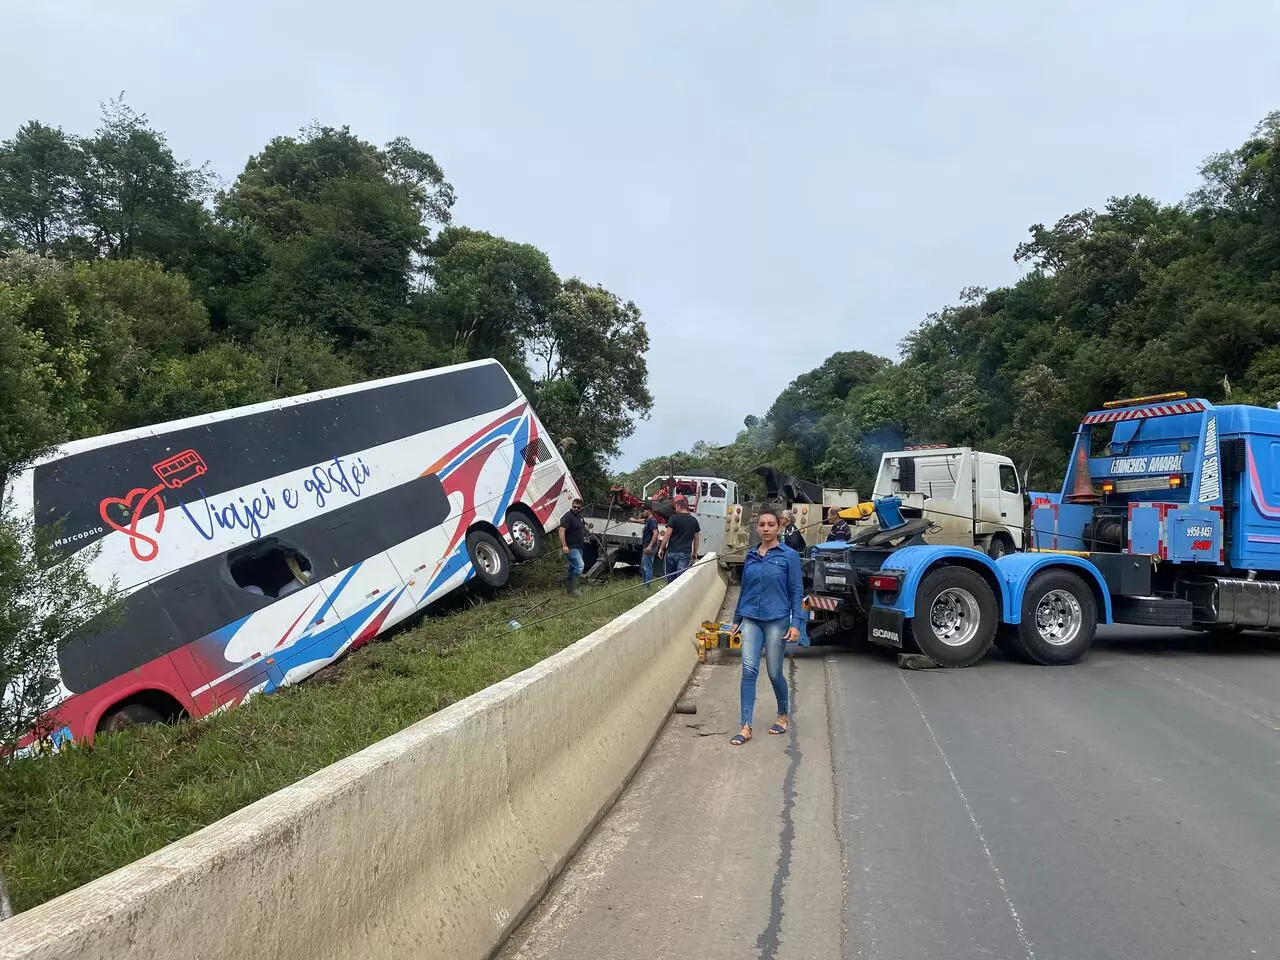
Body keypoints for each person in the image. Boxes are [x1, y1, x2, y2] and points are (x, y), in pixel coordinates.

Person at [730, 507, 803, 745]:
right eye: (761, 525)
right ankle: (745, 725)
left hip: (777, 619)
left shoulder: (789, 555)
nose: (766, 529)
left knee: (774, 672)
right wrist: (736, 619)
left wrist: (795, 624)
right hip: (751, 618)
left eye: (770, 525)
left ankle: (783, 715)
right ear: (757, 528)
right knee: (749, 670)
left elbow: (796, 591)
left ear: (779, 527)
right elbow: (745, 590)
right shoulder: (751, 555)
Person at [659, 496, 700, 582]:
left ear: (678, 506)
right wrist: (694, 553)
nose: (675, 509)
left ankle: (670, 593)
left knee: (671, 579)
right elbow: (696, 538)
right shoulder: (694, 521)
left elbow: (667, 535)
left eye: (675, 506)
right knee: (680, 580)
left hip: (672, 553)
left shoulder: (673, 519)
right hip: (685, 554)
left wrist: (661, 548)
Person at [559, 497, 586, 596]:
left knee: (572, 568)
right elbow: (561, 530)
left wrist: (591, 532)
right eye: (574, 507)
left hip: (579, 547)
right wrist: (564, 546)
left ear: (581, 508)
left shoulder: (579, 516)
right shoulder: (567, 516)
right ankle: (575, 590)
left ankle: (570, 591)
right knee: (580, 566)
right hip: (571, 547)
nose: (576, 509)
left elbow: (583, 525)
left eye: (578, 508)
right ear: (572, 506)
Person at [640, 507, 661, 587]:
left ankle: (647, 585)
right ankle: (645, 583)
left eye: (644, 510)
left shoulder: (652, 521)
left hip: (649, 547)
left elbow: (655, 533)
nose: (643, 512)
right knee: (643, 566)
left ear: (648, 510)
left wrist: (650, 546)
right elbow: (642, 521)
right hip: (646, 546)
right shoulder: (648, 520)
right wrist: (633, 520)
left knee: (647, 567)